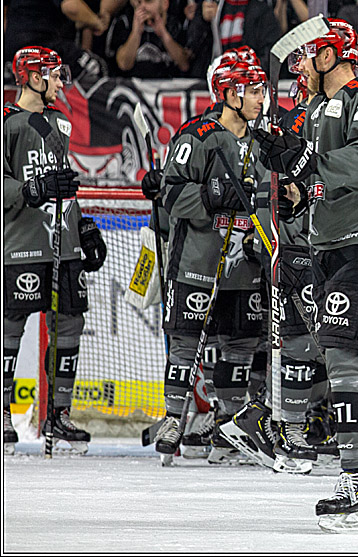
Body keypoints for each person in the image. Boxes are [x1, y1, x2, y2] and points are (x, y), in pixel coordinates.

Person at [253, 18, 358, 531]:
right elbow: (316, 182)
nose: (300, 66)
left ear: (329, 56)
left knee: (346, 360)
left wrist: (308, 160)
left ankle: (356, 477)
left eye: (307, 56)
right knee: (348, 358)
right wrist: (293, 186)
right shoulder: (317, 110)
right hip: (333, 246)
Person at [152, 59, 268, 465]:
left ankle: (228, 421)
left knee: (240, 344)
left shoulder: (263, 139)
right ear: (229, 93)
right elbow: (170, 194)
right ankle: (172, 419)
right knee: (185, 341)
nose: (260, 98)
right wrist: (209, 197)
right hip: (197, 260)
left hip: (246, 263)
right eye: (252, 90)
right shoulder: (197, 135)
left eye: (260, 89)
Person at [3, 47, 103, 455]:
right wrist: (30, 189)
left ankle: (58, 415)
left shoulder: (60, 122)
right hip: (22, 244)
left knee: (70, 322)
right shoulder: (7, 123)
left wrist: (83, 226)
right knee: (11, 326)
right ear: (31, 77)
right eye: (54, 75)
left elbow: (63, 184)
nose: (62, 82)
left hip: (64, 244)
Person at [186, 0, 282, 76]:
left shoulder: (263, 12)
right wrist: (203, 21)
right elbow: (192, 47)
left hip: (246, 81)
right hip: (210, 81)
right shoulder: (211, 6)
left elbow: (269, 52)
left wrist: (245, 73)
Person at [109, 0, 190, 77]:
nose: (142, 6)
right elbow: (123, 65)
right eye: (139, 2)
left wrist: (164, 35)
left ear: (165, 4)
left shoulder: (176, 25)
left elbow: (184, 65)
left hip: (169, 87)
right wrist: (136, 33)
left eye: (148, 1)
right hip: (133, 86)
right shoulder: (126, 24)